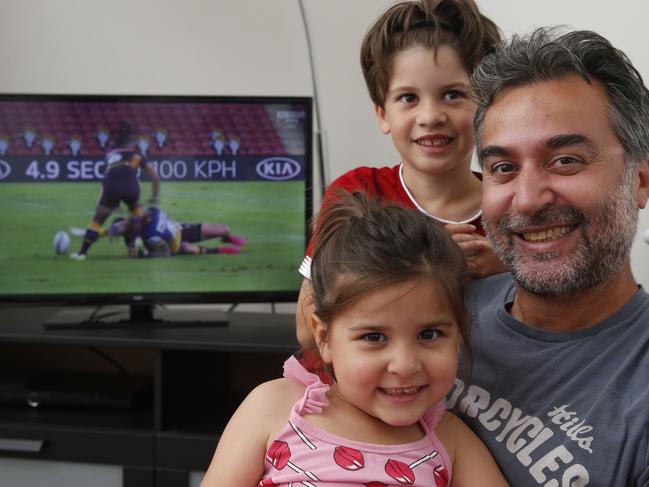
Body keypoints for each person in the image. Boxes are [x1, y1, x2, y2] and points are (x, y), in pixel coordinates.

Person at [448, 27, 649, 486]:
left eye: (565, 161)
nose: (527, 200)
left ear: (640, 180)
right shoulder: (435, 310)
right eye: (503, 168)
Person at [200, 190, 508, 487]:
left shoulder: (450, 439)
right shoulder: (275, 407)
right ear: (324, 338)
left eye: (429, 334)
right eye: (374, 337)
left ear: (459, 333)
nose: (404, 365)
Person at [296, 0, 505, 346]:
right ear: (382, 114)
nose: (430, 115)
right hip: (358, 396)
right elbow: (306, 329)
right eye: (408, 98)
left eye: (453, 94)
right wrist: (429, 262)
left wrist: (506, 271)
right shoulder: (357, 193)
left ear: (486, 106)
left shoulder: (512, 201)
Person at [70, 121, 160, 260]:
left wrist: (106, 202)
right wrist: (154, 196)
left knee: (97, 220)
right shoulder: (137, 155)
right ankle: (137, 240)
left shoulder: (110, 155)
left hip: (111, 187)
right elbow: (154, 176)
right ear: (131, 142)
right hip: (131, 186)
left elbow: (106, 179)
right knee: (137, 211)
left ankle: (82, 253)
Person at [108, 206, 246, 257]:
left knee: (224, 229)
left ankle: (226, 238)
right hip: (171, 244)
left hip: (181, 228)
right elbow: (165, 252)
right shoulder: (132, 243)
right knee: (188, 248)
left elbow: (147, 211)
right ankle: (219, 251)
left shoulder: (142, 216)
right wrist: (146, 253)